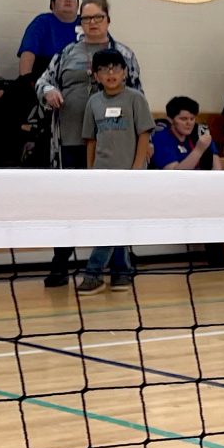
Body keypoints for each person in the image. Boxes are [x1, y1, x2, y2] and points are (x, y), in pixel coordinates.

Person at [34, 0, 142, 285]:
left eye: (98, 17)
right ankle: (60, 266)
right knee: (70, 206)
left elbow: (138, 98)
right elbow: (42, 80)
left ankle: (120, 270)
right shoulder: (66, 54)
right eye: (86, 18)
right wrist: (48, 91)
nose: (92, 23)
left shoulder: (125, 55)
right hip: (70, 143)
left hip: (112, 149)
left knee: (113, 207)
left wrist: (140, 147)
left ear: (108, 19)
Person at [76, 48, 153, 294]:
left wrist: (136, 169)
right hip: (101, 175)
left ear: (125, 72)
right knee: (114, 223)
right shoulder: (94, 102)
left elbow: (144, 134)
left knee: (114, 223)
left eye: (116, 68)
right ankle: (121, 273)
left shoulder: (135, 99)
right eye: (104, 69)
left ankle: (93, 273)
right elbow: (91, 140)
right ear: (96, 76)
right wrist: (91, 172)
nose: (110, 73)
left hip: (127, 174)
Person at [17, 0, 81, 79]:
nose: (68, 0)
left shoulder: (88, 22)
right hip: (46, 77)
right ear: (52, 5)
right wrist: (26, 82)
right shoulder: (42, 22)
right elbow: (27, 54)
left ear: (78, 6)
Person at [150, 96, 214, 170]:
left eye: (192, 119)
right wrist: (198, 151)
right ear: (170, 120)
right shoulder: (161, 137)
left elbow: (217, 168)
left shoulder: (198, 132)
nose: (189, 123)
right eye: (183, 119)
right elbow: (175, 175)